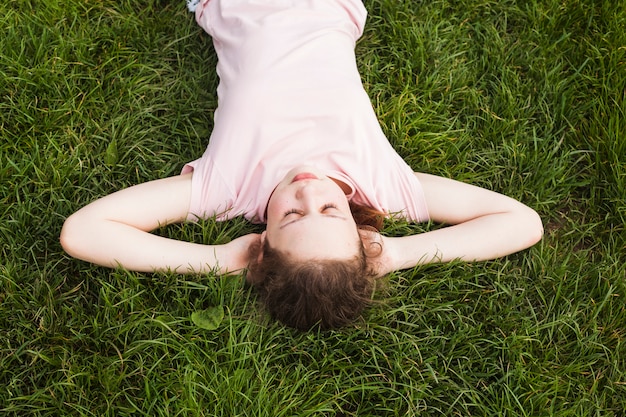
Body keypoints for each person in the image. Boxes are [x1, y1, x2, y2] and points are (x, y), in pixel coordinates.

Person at [60, 0, 543, 330]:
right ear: (361, 233)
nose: (309, 192)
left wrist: (215, 262)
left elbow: (83, 232)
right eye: (331, 212)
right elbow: (521, 222)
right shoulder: (381, 185)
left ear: (262, 242)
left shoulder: (228, 189)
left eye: (292, 215)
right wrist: (395, 254)